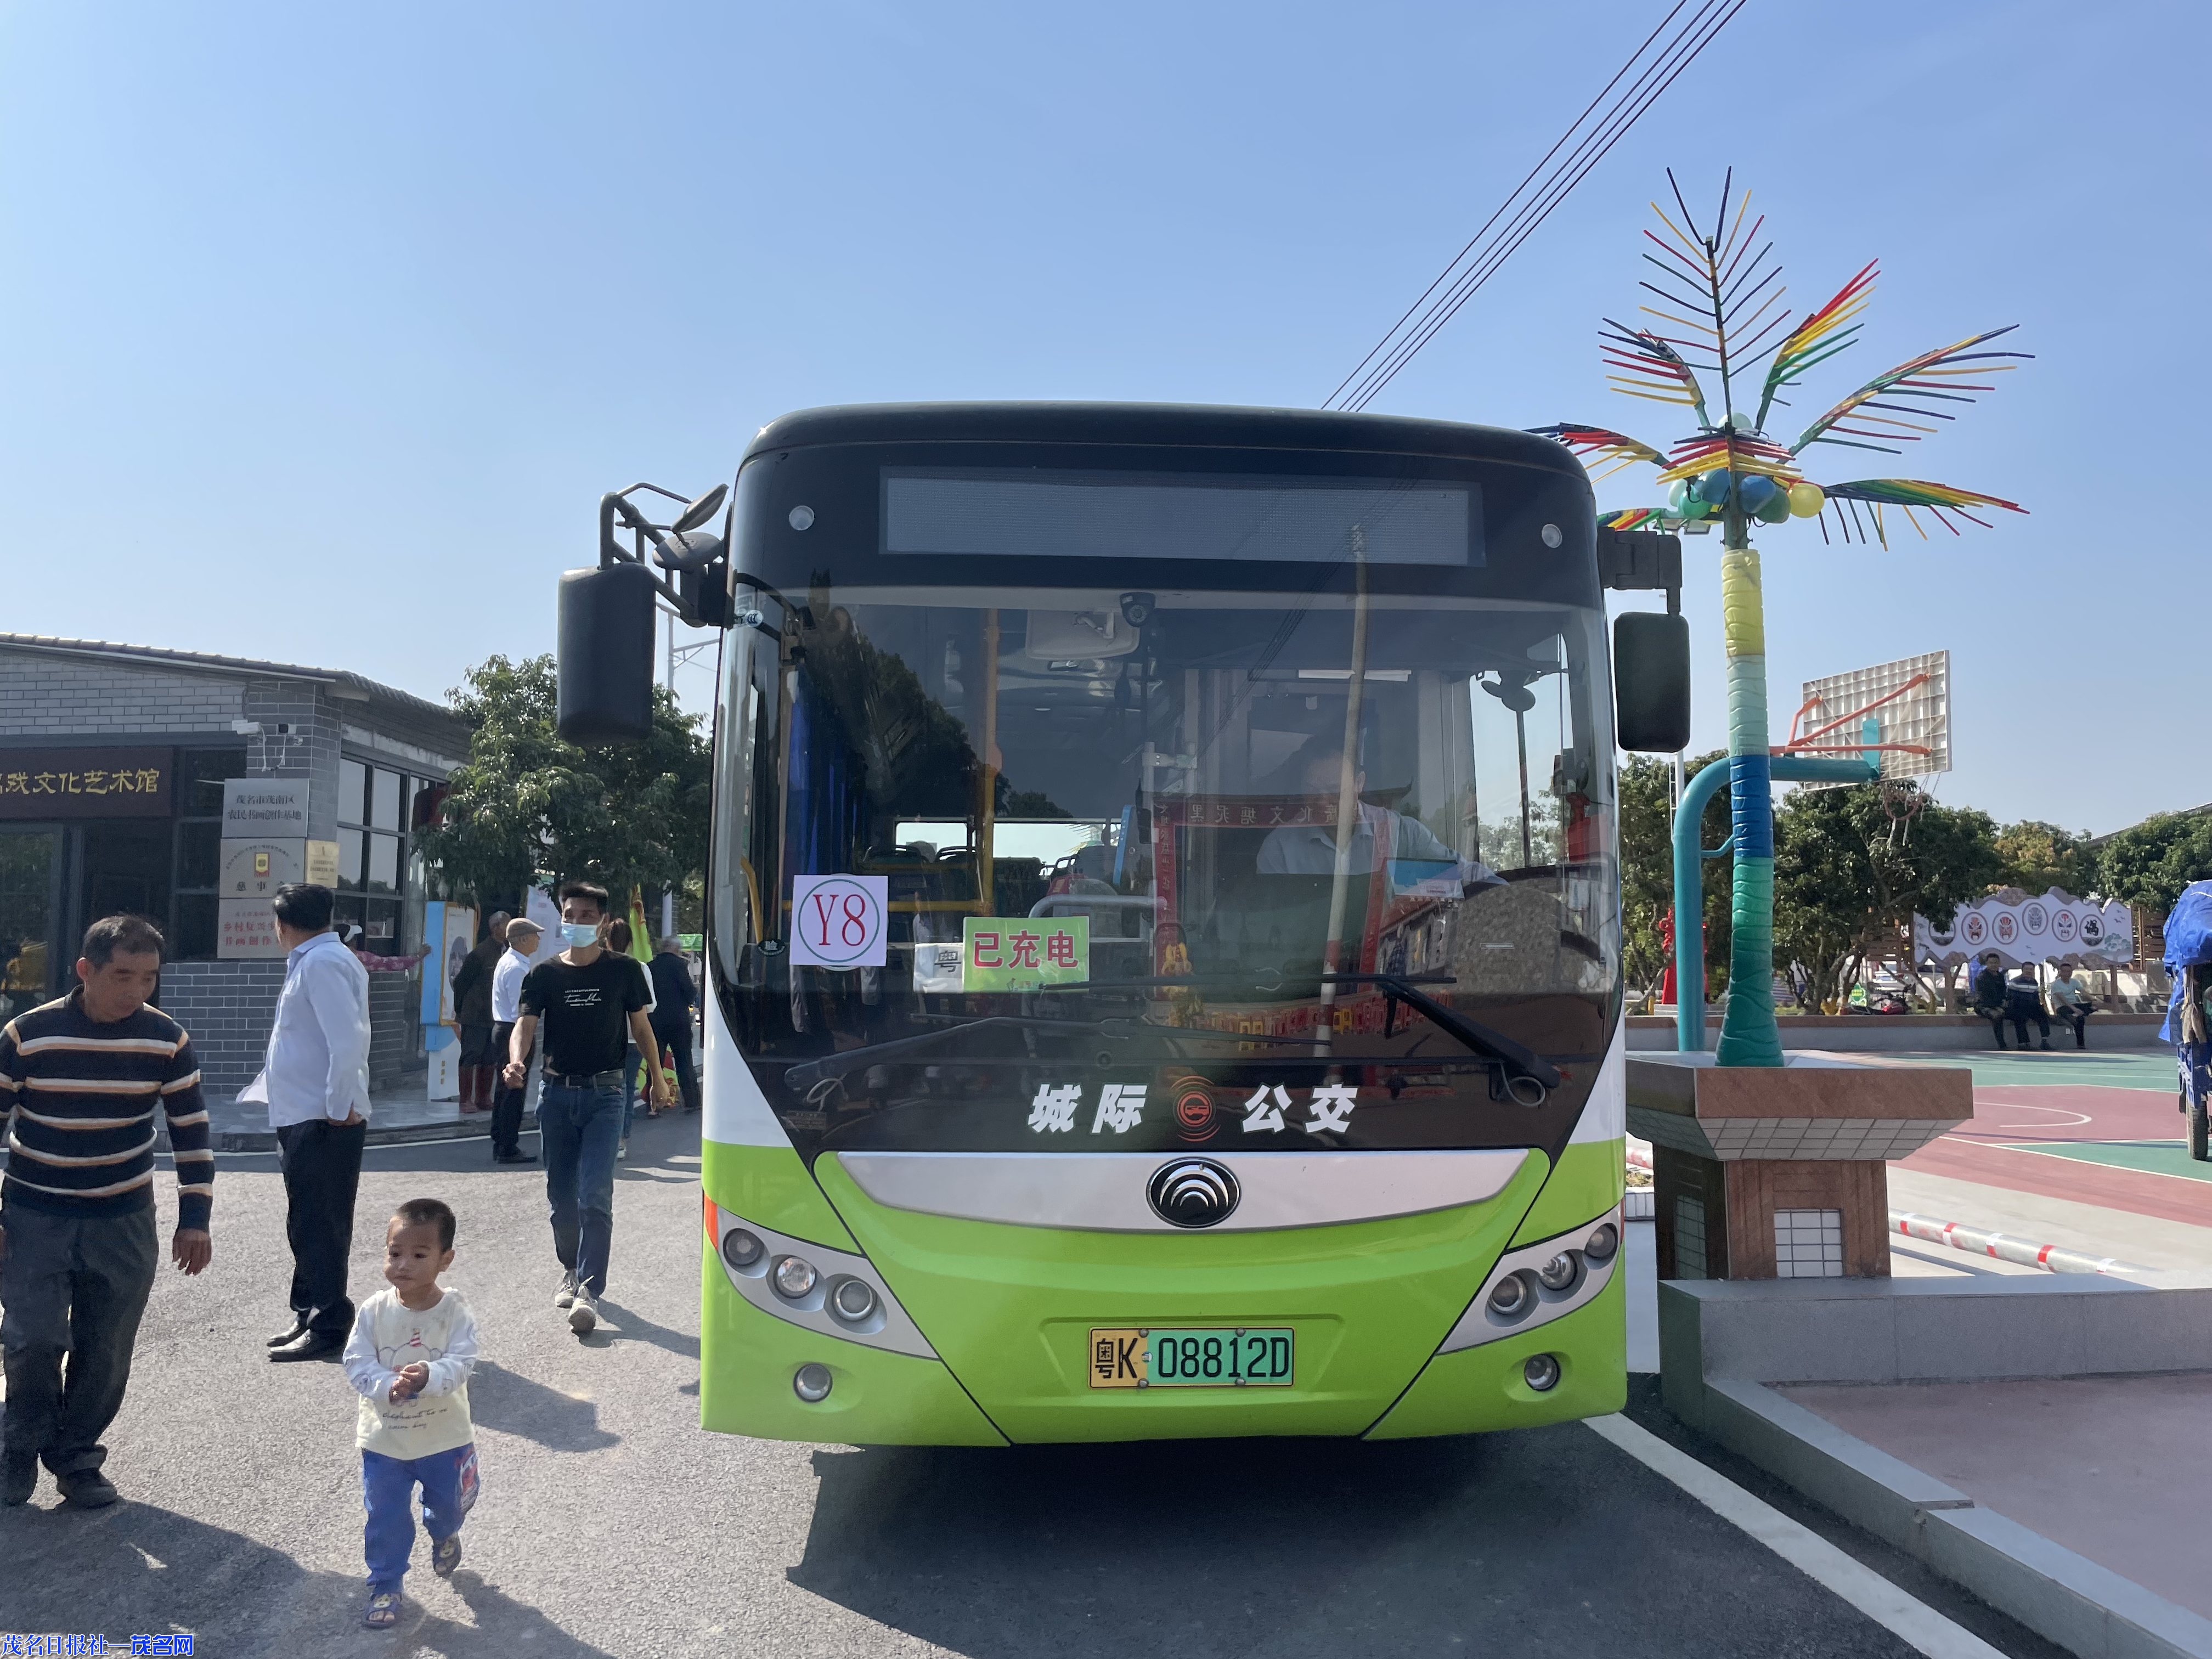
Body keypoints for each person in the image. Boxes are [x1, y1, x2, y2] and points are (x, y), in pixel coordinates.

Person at [0, 915, 214, 1509]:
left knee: (107, 1346)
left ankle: (76, 1458)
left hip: (122, 1220)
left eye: (148, 978)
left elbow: (191, 1133)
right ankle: (19, 1445)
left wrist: (194, 1218)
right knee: (33, 1338)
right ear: (86, 971)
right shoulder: (28, 1036)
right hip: (34, 1214)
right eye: (123, 975)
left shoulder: (166, 1040)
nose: (136, 991)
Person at [504, 882, 670, 1337]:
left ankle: (590, 1289)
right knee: (562, 1198)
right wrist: (516, 1060)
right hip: (556, 1096)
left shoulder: (625, 971)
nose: (575, 922)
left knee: (595, 1193)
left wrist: (657, 1078)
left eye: (585, 915)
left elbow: (642, 1028)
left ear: (601, 921)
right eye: (569, 913)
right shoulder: (542, 975)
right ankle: (570, 1269)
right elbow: (525, 1024)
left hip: (607, 1095)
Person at [249, 883, 375, 1364]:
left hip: (324, 1117)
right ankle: (307, 1310)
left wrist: (340, 1105)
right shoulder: (318, 959)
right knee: (306, 1221)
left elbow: (347, 1041)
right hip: (305, 1112)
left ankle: (328, 1324)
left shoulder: (323, 963)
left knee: (321, 1224)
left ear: (282, 924)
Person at [342, 1197, 480, 1630]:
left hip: (444, 1439)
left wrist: (428, 1375)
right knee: (383, 1514)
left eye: (419, 1255)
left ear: (445, 1260)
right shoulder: (373, 1311)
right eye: (394, 1253)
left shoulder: (454, 1311)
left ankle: (444, 1533)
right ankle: (386, 1582)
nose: (403, 1264)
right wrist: (386, 1385)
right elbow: (356, 1361)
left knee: (447, 1504)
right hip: (385, 1440)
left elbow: (462, 1362)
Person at [1257, 736, 1488, 879]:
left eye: (1334, 791)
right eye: (1312, 790)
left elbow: (1466, 876)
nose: (1322, 801)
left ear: (1359, 783)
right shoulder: (1280, 849)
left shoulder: (1404, 836)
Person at [486, 917, 541, 1165]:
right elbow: (523, 1009)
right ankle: (508, 1145)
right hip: (515, 1030)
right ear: (521, 939)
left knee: (504, 1087)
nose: (538, 939)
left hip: (503, 1028)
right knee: (515, 1087)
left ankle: (501, 1139)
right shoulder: (518, 968)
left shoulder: (508, 961)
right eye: (534, 935)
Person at [605, 917, 659, 1159]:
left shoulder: (596, 966)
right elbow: (650, 1007)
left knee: (605, 1088)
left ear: (606, 940)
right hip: (632, 1039)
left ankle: (604, 1137)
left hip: (604, 1038)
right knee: (625, 1089)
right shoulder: (640, 967)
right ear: (629, 942)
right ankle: (621, 1140)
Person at [449, 913, 507, 1115]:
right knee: (470, 1055)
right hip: (475, 1015)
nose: (508, 928)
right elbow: (461, 983)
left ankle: (484, 1098)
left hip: (495, 1016)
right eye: (505, 924)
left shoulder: (506, 952)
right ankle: (465, 1099)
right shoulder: (480, 954)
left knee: (490, 1058)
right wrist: (461, 1009)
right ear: (495, 928)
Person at [648, 936, 702, 1114]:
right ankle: (692, 1101)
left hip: (655, 1021)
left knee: (655, 1062)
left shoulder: (650, 966)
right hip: (678, 1021)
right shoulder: (679, 965)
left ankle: (653, 1105)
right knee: (684, 1061)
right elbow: (689, 991)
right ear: (676, 949)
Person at [2047, 962, 2095, 1049]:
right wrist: (2074, 1009)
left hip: (2075, 1006)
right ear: (2060, 972)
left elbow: (2083, 992)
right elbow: (2063, 1000)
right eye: (2065, 971)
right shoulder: (2056, 985)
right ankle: (2075, 1015)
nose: (2067, 974)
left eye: (2069, 972)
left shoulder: (2075, 982)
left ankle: (2081, 1044)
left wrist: (2093, 999)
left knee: (2093, 1007)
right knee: (2077, 1017)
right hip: (2063, 1007)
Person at [2007, 963, 2053, 1052]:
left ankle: (2045, 1041)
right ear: (2023, 970)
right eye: (2027, 969)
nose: (2029, 971)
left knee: (2043, 1016)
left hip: (2031, 1007)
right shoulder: (2015, 982)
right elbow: (2011, 998)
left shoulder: (2034, 982)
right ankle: (2023, 1044)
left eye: (2031, 969)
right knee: (2020, 1018)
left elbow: (2036, 997)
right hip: (2018, 1007)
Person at [1971, 952, 2011, 1049]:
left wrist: (2003, 1005)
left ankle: (2023, 1043)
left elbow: (2003, 993)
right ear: (1987, 964)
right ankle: (2002, 1045)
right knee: (1997, 1016)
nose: (1994, 965)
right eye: (1991, 963)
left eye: (1996, 963)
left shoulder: (2001, 977)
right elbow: (1983, 997)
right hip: (1983, 1006)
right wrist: (1997, 1007)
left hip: (1998, 1005)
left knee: (2019, 1015)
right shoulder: (1981, 977)